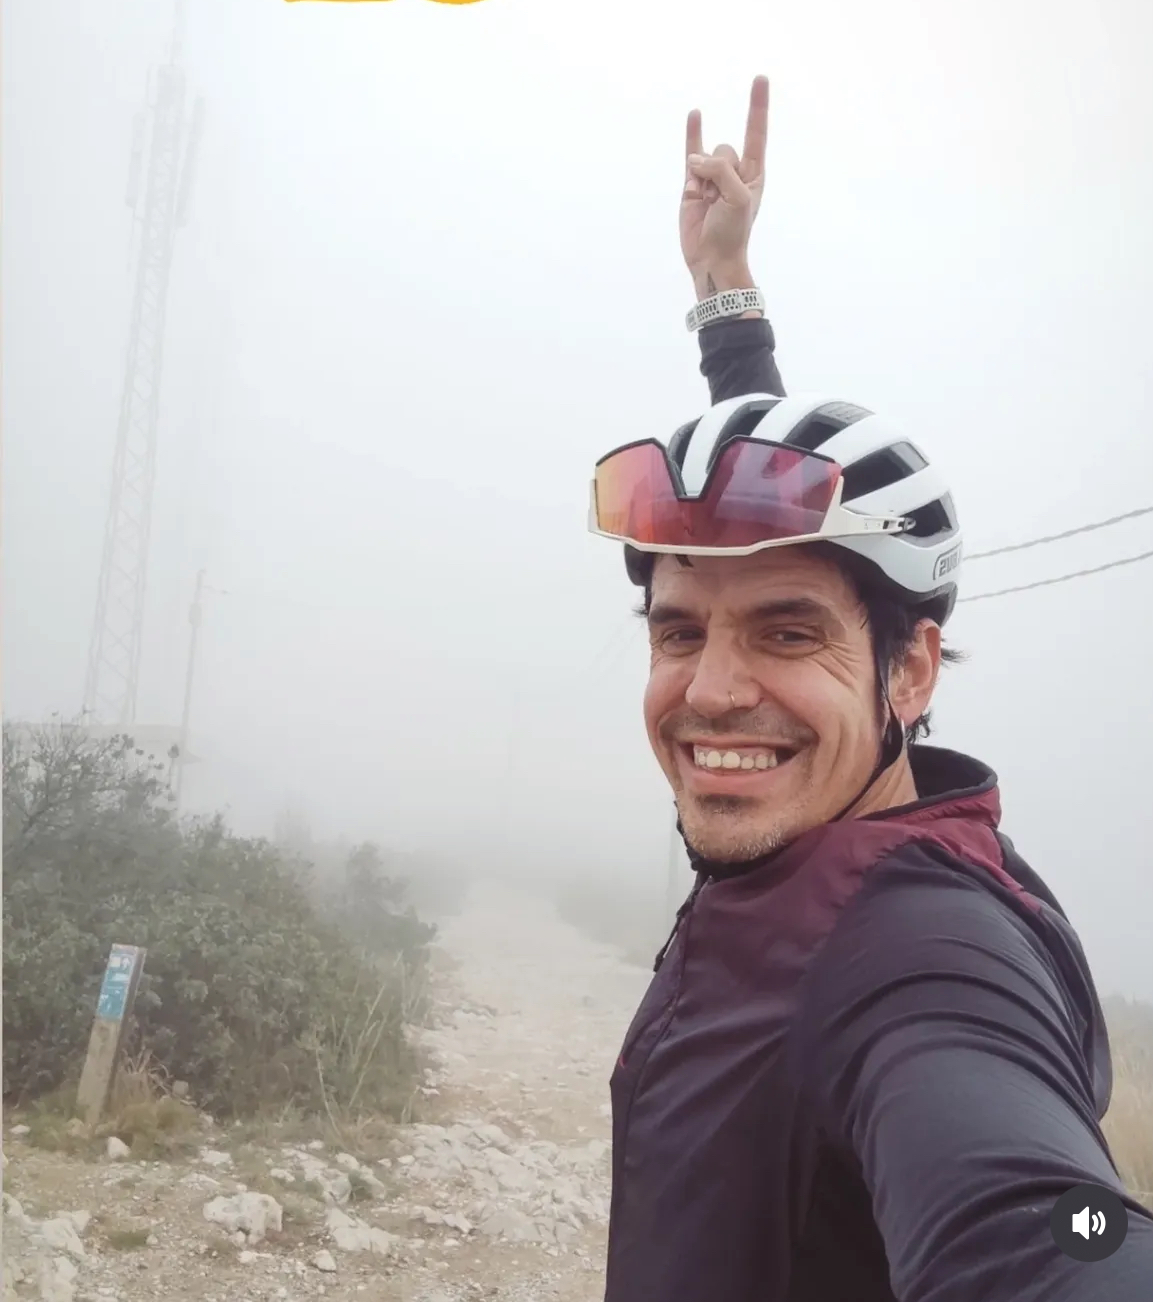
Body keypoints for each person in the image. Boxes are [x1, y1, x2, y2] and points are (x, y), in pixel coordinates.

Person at [590, 76, 1153, 1301]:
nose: (713, 691)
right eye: (678, 632)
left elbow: (1046, 1237)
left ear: (911, 667)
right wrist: (726, 295)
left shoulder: (920, 957)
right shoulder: (873, 824)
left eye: (788, 633)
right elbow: (762, 505)